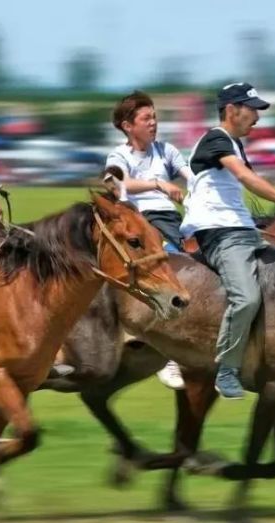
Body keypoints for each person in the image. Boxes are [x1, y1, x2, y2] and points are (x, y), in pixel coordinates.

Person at [180, 82, 275, 399]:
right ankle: (227, 369)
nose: (258, 119)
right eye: (253, 111)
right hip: (220, 235)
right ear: (232, 110)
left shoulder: (235, 144)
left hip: (243, 231)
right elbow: (247, 179)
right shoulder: (215, 140)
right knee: (247, 298)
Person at [106, 91, 193, 390]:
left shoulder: (166, 150)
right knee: (171, 272)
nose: (154, 123)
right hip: (142, 225)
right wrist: (158, 183)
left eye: (155, 117)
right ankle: (170, 357)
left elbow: (189, 175)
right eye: (147, 118)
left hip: (173, 220)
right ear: (128, 126)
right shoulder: (119, 156)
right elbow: (116, 182)